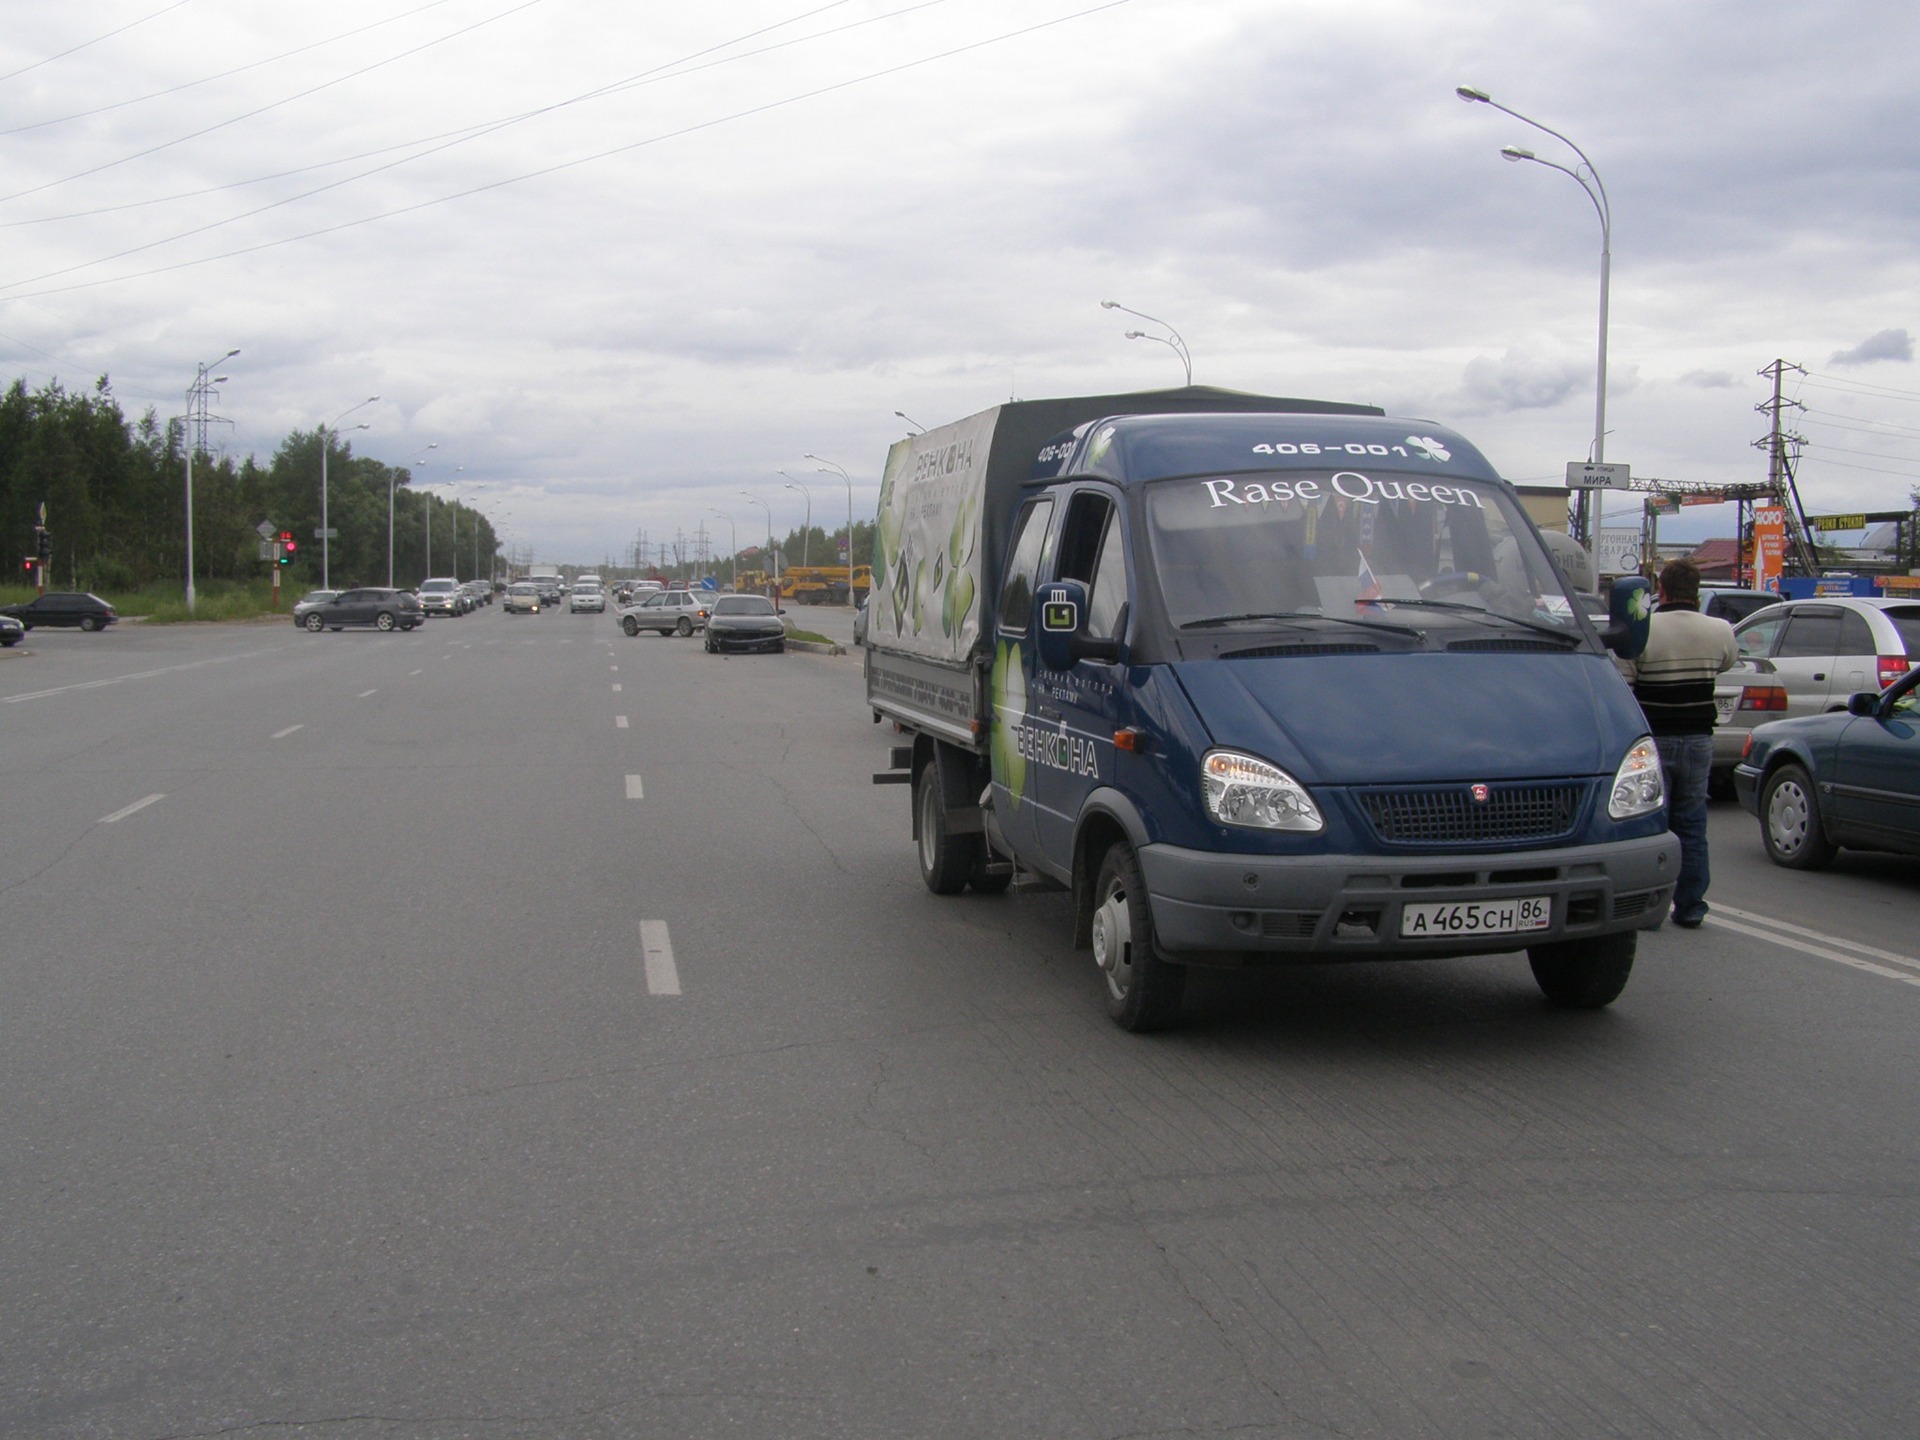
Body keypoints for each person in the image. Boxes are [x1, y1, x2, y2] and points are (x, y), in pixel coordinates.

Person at [1622, 558, 1740, 927]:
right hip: (1699, 739)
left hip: (1654, 740)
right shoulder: (1720, 630)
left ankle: (1649, 907)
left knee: (1651, 823)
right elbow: (1725, 664)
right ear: (1697, 591)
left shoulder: (1643, 629)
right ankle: (1691, 906)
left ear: (1662, 590)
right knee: (1692, 824)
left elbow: (1626, 680)